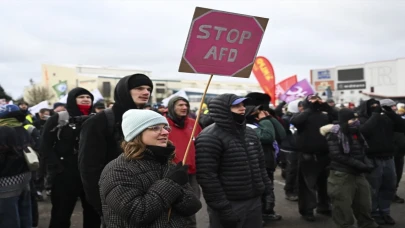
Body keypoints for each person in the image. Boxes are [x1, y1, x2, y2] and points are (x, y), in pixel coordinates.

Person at [99, 109, 201, 227]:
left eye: (165, 128)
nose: (165, 132)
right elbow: (137, 214)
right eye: (155, 128)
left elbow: (192, 207)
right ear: (136, 133)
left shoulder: (167, 164)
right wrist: (172, 184)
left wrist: (178, 189)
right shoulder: (118, 170)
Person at [79, 74, 153, 218]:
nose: (146, 92)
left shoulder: (148, 121)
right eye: (139, 88)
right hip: (114, 201)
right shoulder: (99, 122)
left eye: (149, 89)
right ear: (124, 91)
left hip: (145, 201)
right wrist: (102, 206)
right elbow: (89, 168)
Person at [195, 94, 273, 228]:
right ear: (222, 109)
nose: (242, 108)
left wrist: (268, 192)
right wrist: (222, 208)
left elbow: (260, 165)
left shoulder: (250, 132)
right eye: (236, 106)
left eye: (243, 105)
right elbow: (207, 177)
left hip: (254, 201)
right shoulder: (209, 136)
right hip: (230, 203)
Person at [40, 87, 100, 228]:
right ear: (72, 100)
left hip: (91, 174)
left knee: (94, 215)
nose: (86, 99)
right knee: (61, 214)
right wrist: (57, 167)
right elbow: (45, 146)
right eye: (81, 97)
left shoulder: (97, 120)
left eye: (88, 97)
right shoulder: (59, 118)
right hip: (65, 174)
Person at [320, 109, 379, 228]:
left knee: (364, 205)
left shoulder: (357, 133)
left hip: (358, 174)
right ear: (345, 121)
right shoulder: (335, 134)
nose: (356, 121)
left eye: (356, 119)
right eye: (352, 119)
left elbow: (363, 151)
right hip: (341, 175)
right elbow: (337, 155)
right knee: (342, 208)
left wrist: (367, 163)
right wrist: (360, 165)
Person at [357, 99, 405, 225]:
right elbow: (364, 131)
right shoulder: (362, 119)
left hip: (389, 158)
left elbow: (402, 126)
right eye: (373, 106)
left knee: (389, 186)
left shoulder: (386, 118)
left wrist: (391, 113)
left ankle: (385, 212)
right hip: (373, 159)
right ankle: (374, 213)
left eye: (378, 106)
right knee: (373, 189)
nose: (376, 108)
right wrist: (375, 115)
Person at [290, 95, 334, 221]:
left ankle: (324, 206)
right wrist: (310, 107)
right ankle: (307, 210)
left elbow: (338, 117)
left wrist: (325, 106)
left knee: (324, 184)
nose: (315, 101)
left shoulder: (325, 115)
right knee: (308, 185)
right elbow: (295, 121)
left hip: (325, 155)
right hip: (308, 156)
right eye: (312, 99)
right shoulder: (303, 115)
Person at [166, 96, 202, 228]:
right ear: (172, 107)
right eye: (180, 105)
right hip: (171, 174)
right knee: (172, 208)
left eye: (186, 105)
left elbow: (200, 145)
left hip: (191, 174)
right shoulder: (164, 124)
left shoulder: (194, 123)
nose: (184, 108)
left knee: (191, 207)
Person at [245, 104, 285, 222]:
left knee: (268, 188)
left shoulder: (261, 123)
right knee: (261, 190)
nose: (261, 113)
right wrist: (264, 120)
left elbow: (281, 134)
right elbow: (268, 137)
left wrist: (270, 118)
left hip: (268, 161)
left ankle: (267, 211)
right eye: (257, 111)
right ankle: (260, 214)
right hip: (257, 163)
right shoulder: (248, 127)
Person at [0, 104, 33, 228]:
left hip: (6, 180)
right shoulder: (23, 129)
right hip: (24, 177)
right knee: (24, 211)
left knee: (8, 216)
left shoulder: (2, 130)